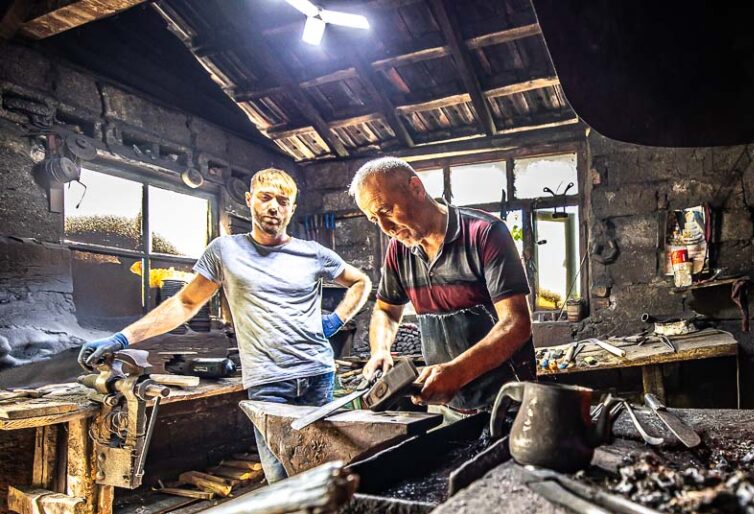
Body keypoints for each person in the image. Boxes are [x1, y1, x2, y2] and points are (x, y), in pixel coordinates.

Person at [78, 168, 372, 482]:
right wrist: (123, 338)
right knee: (282, 480)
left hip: (318, 375)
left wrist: (335, 320)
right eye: (265, 198)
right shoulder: (225, 251)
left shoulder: (312, 253)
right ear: (249, 200)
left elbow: (360, 282)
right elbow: (185, 303)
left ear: (292, 208)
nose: (274, 207)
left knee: (325, 471)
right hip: (269, 384)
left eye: (283, 201)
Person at [350, 157, 534, 419]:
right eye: (373, 219)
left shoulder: (485, 233)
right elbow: (386, 311)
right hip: (447, 404)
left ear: (416, 188)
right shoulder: (399, 250)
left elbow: (516, 323)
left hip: (509, 402)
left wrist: (457, 372)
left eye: (386, 210)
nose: (385, 228)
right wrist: (380, 349)